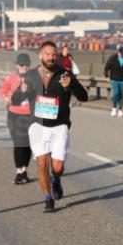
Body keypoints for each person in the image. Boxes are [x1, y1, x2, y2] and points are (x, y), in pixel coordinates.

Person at [11, 40, 88, 212]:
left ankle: (56, 180)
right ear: (40, 55)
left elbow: (84, 97)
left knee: (57, 167)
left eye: (54, 54)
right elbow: (15, 100)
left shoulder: (65, 74)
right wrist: (21, 92)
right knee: (42, 164)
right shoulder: (30, 76)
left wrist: (72, 85)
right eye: (47, 54)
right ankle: (48, 198)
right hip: (37, 125)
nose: (51, 57)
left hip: (60, 125)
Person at [0, 53, 34, 184]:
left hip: (31, 115)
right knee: (19, 143)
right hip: (15, 115)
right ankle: (18, 172)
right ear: (17, 65)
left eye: (27, 65)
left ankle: (24, 170)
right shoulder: (11, 77)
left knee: (28, 144)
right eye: (22, 65)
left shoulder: (34, 78)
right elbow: (1, 92)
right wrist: (8, 98)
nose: (25, 67)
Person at [103, 44, 123, 117]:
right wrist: (107, 76)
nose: (122, 55)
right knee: (116, 93)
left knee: (121, 95)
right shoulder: (112, 58)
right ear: (118, 52)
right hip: (114, 79)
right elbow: (106, 67)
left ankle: (120, 110)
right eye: (121, 54)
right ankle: (114, 108)